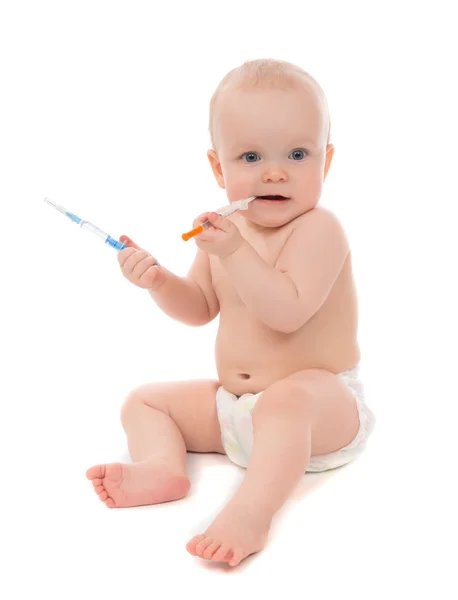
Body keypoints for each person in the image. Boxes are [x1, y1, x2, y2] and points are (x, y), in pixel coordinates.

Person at [86, 58, 376, 567]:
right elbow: (199, 307)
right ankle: (162, 468)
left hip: (318, 413)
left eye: (297, 153)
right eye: (249, 156)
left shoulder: (318, 230)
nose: (274, 170)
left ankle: (251, 511)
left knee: (286, 402)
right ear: (219, 168)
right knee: (146, 401)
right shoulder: (224, 236)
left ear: (325, 163)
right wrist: (158, 281)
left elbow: (287, 311)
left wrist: (234, 253)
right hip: (236, 412)